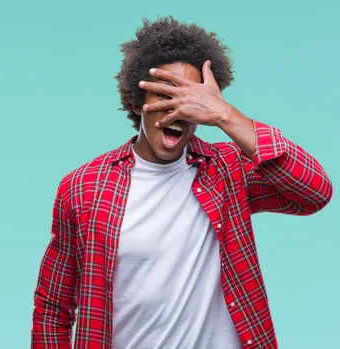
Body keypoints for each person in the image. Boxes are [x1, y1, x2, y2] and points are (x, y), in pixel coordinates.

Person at [30, 16, 333, 349]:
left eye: (191, 100)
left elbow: (314, 191)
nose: (177, 112)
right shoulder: (83, 187)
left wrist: (226, 115)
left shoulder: (227, 170)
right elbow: (53, 309)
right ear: (136, 102)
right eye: (166, 96)